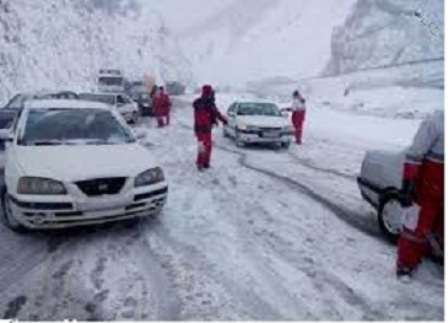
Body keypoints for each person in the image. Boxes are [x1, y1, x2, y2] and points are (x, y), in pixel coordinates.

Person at [396, 109, 444, 280]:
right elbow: (414, 154)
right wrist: (408, 184)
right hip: (428, 190)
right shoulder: (436, 122)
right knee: (416, 229)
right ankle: (405, 266)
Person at [193, 85, 227, 170]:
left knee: (205, 146)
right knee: (206, 147)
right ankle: (202, 163)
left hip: (201, 129)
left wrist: (222, 120)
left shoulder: (199, 102)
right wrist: (224, 120)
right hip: (204, 128)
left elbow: (215, 113)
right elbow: (216, 113)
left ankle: (203, 163)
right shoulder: (208, 103)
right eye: (211, 92)